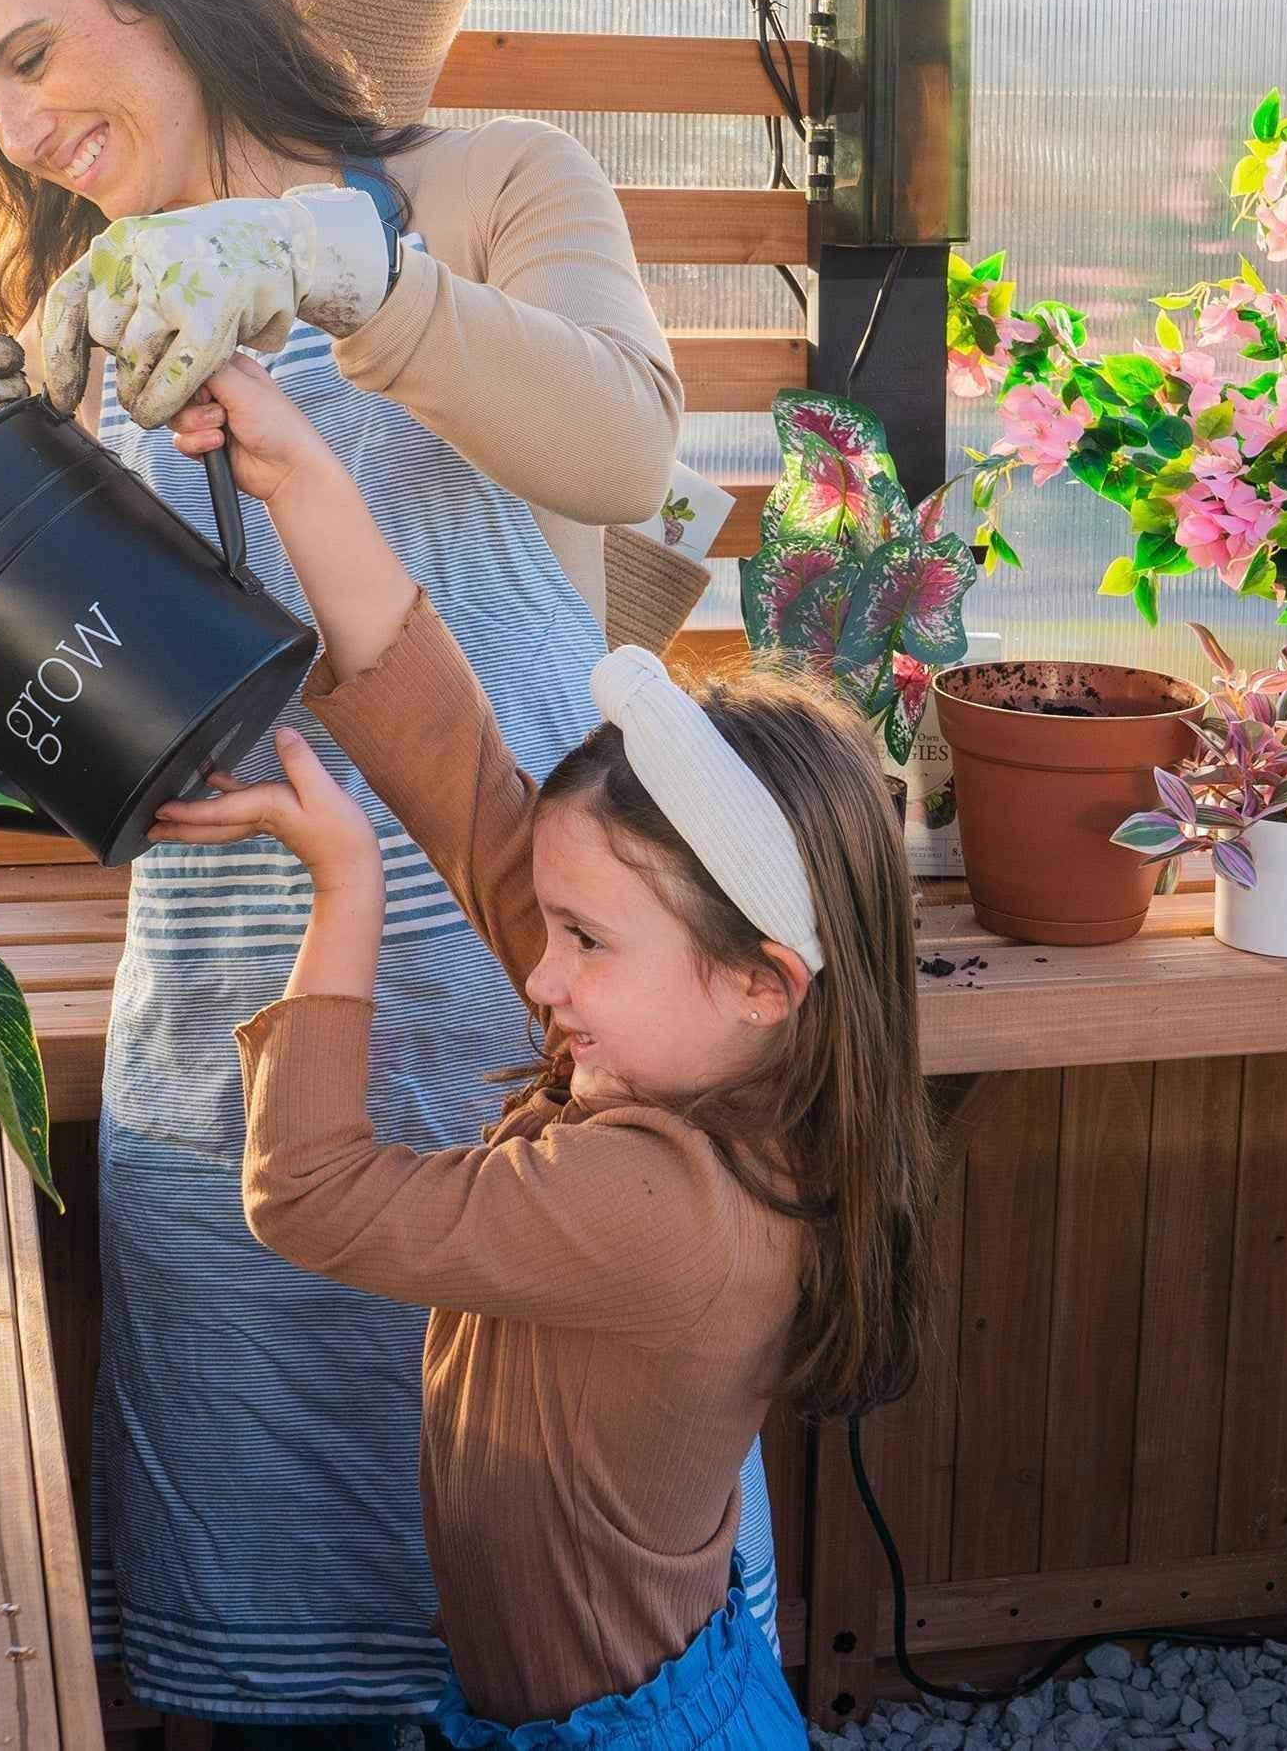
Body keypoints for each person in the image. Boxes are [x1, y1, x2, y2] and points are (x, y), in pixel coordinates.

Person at [0, 0, 745, 1742]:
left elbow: (628, 453)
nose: (11, 133)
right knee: (287, 1687)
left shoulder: (491, 182)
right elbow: (57, 752)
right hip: (252, 1074)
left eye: (30, 60)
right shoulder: (82, 329)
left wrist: (348, 270)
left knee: (593, 1643)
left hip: (552, 1008)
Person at [156, 356, 937, 1751]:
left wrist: (346, 885)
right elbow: (454, 763)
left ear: (762, 982)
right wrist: (300, 476)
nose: (536, 973)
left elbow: (312, 1194)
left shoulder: (663, 1207)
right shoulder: (697, 1058)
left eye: (582, 939)